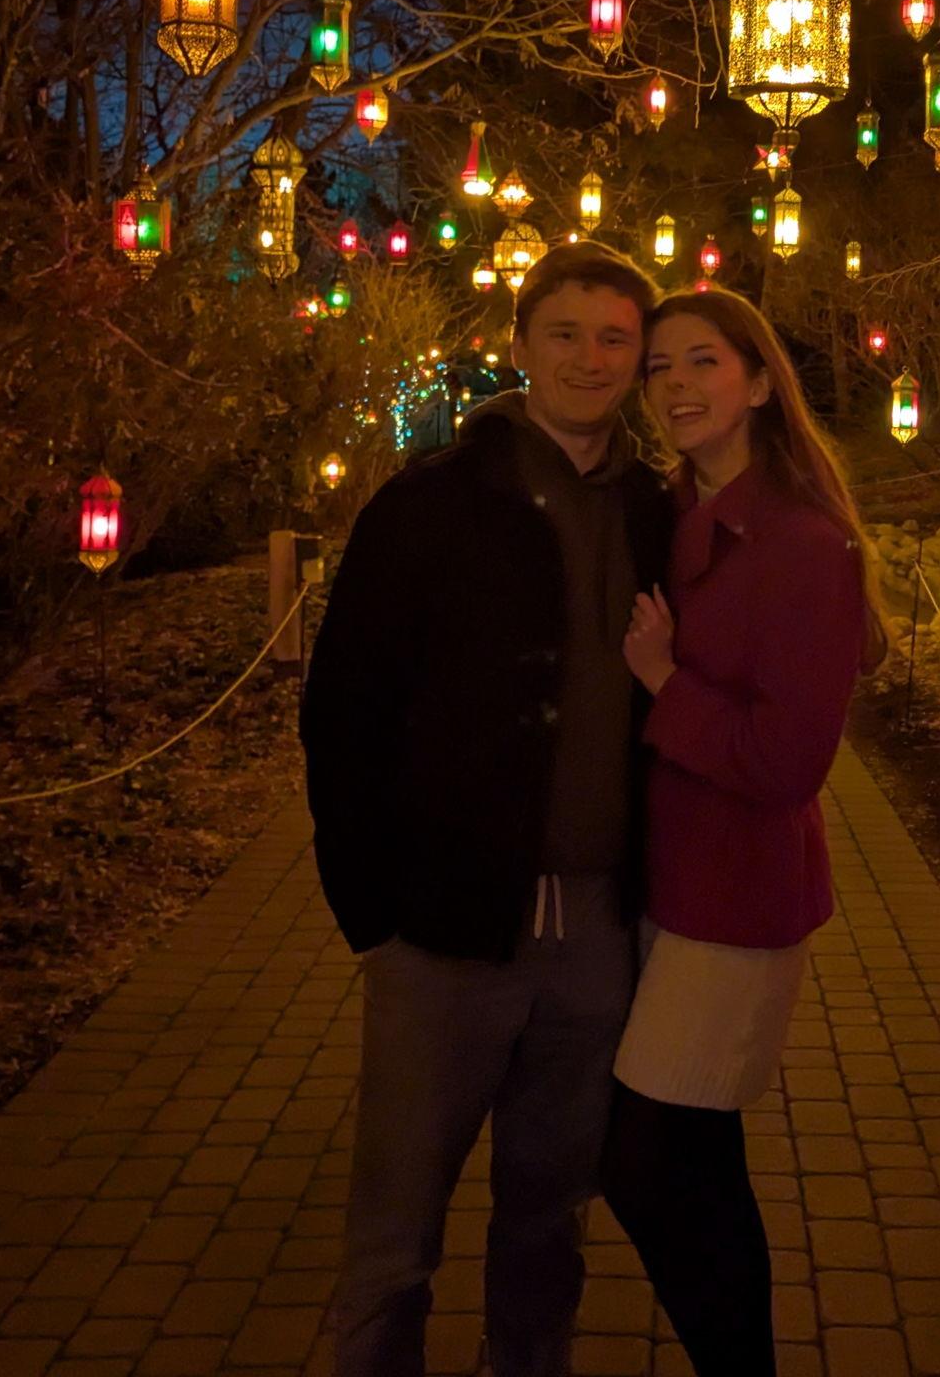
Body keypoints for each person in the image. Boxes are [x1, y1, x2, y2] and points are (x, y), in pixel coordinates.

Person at [299, 241, 673, 1377]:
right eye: (564, 333)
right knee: (395, 1227)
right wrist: (372, 912)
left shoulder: (656, 510)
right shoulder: (430, 504)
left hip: (596, 930)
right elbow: (344, 708)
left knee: (549, 1216)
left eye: (614, 338)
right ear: (519, 345)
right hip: (444, 933)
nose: (589, 358)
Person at [602, 289, 887, 1377]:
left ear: (761, 380)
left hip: (735, 897)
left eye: (702, 362)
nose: (674, 385)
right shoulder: (671, 513)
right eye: (658, 366)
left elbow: (787, 762)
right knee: (698, 1160)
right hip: (662, 880)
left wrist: (663, 680)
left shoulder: (805, 544)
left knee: (648, 1162)